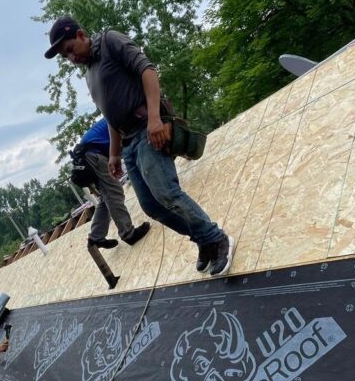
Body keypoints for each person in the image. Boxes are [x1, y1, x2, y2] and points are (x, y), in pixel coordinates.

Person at [45, 17, 234, 276]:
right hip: (128, 143)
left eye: (69, 49)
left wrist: (155, 119)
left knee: (166, 192)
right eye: (64, 57)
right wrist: (113, 154)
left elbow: (148, 70)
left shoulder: (110, 40)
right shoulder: (90, 73)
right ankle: (203, 239)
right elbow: (109, 114)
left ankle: (217, 238)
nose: (70, 58)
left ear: (80, 35)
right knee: (150, 205)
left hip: (148, 127)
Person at [78, 117, 151, 249]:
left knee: (105, 199)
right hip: (93, 156)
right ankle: (129, 234)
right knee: (114, 194)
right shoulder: (122, 117)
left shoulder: (113, 115)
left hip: (86, 158)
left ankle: (96, 237)